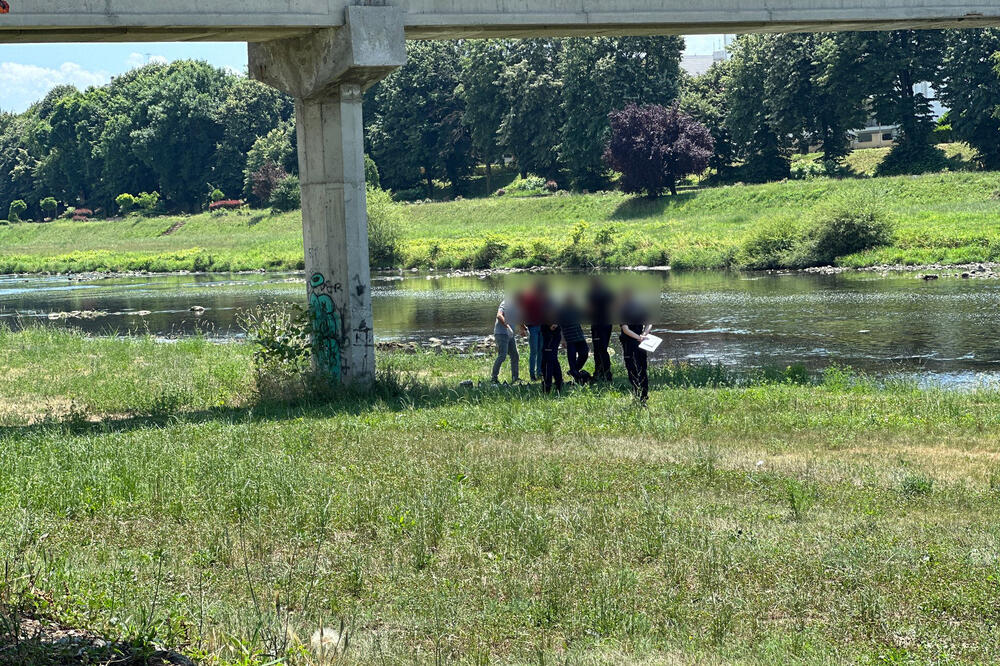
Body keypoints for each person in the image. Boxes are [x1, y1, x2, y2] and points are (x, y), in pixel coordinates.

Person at [619, 289, 652, 403]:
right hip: (642, 342)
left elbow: (625, 329)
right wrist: (644, 335)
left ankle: (637, 393)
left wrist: (638, 337)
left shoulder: (623, 309)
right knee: (642, 368)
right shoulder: (640, 306)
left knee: (632, 368)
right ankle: (644, 395)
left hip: (630, 342)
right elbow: (649, 323)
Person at [587, 277, 615, 382]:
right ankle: (606, 373)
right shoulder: (608, 292)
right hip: (608, 323)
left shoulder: (591, 294)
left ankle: (600, 373)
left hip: (597, 324)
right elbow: (614, 307)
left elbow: (590, 309)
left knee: (599, 350)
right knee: (604, 348)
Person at [558, 293, 590, 384]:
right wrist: (562, 339)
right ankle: (576, 376)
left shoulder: (576, 308)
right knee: (571, 358)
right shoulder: (561, 311)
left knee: (584, 353)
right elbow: (559, 326)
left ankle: (574, 370)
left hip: (579, 336)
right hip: (569, 338)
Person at [518, 282, 547, 381]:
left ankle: (539, 372)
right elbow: (523, 312)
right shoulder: (528, 298)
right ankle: (532, 374)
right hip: (532, 327)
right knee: (534, 351)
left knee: (540, 351)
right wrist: (522, 326)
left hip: (542, 327)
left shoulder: (542, 298)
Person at [491, 296, 520, 384]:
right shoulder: (506, 303)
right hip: (501, 333)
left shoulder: (518, 306)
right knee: (502, 356)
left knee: (515, 356)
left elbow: (518, 319)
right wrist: (507, 326)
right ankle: (494, 378)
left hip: (510, 334)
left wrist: (524, 329)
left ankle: (515, 377)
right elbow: (499, 316)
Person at [540, 310, 563, 394]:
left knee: (557, 371)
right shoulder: (544, 327)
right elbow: (545, 331)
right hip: (547, 353)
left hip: (553, 354)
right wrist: (550, 327)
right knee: (547, 370)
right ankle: (547, 389)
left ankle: (559, 387)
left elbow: (559, 335)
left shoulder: (557, 327)